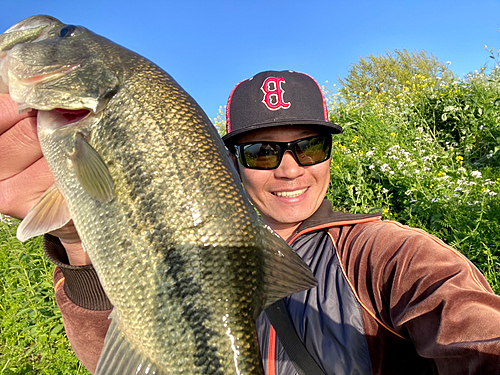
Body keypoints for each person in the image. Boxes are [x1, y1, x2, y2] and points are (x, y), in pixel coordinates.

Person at [1, 70, 500, 375]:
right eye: (263, 151)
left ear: (329, 155)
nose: (290, 168)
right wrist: (79, 239)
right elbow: (121, 357)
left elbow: (473, 331)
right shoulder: (189, 244)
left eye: (309, 146)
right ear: (231, 161)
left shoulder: (388, 253)